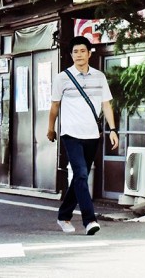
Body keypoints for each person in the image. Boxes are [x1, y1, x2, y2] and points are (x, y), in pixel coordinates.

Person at [47, 36, 119, 235]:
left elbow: (106, 104)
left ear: (89, 53)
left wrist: (113, 129)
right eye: (75, 52)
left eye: (82, 51)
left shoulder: (99, 77)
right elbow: (54, 106)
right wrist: (50, 128)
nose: (79, 55)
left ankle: (64, 215)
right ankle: (89, 220)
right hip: (70, 134)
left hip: (92, 134)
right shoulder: (62, 78)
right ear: (71, 55)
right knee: (80, 174)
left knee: (80, 176)